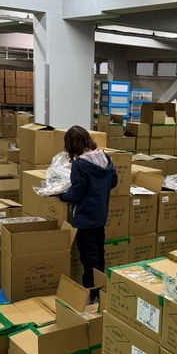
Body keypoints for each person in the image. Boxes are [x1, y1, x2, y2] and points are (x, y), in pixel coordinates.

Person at [60, 125, 117, 293]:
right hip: (100, 216)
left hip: (85, 219)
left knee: (88, 257)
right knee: (98, 253)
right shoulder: (105, 158)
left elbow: (76, 193)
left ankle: (91, 292)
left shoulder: (80, 165)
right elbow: (113, 182)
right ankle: (100, 289)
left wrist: (62, 196)